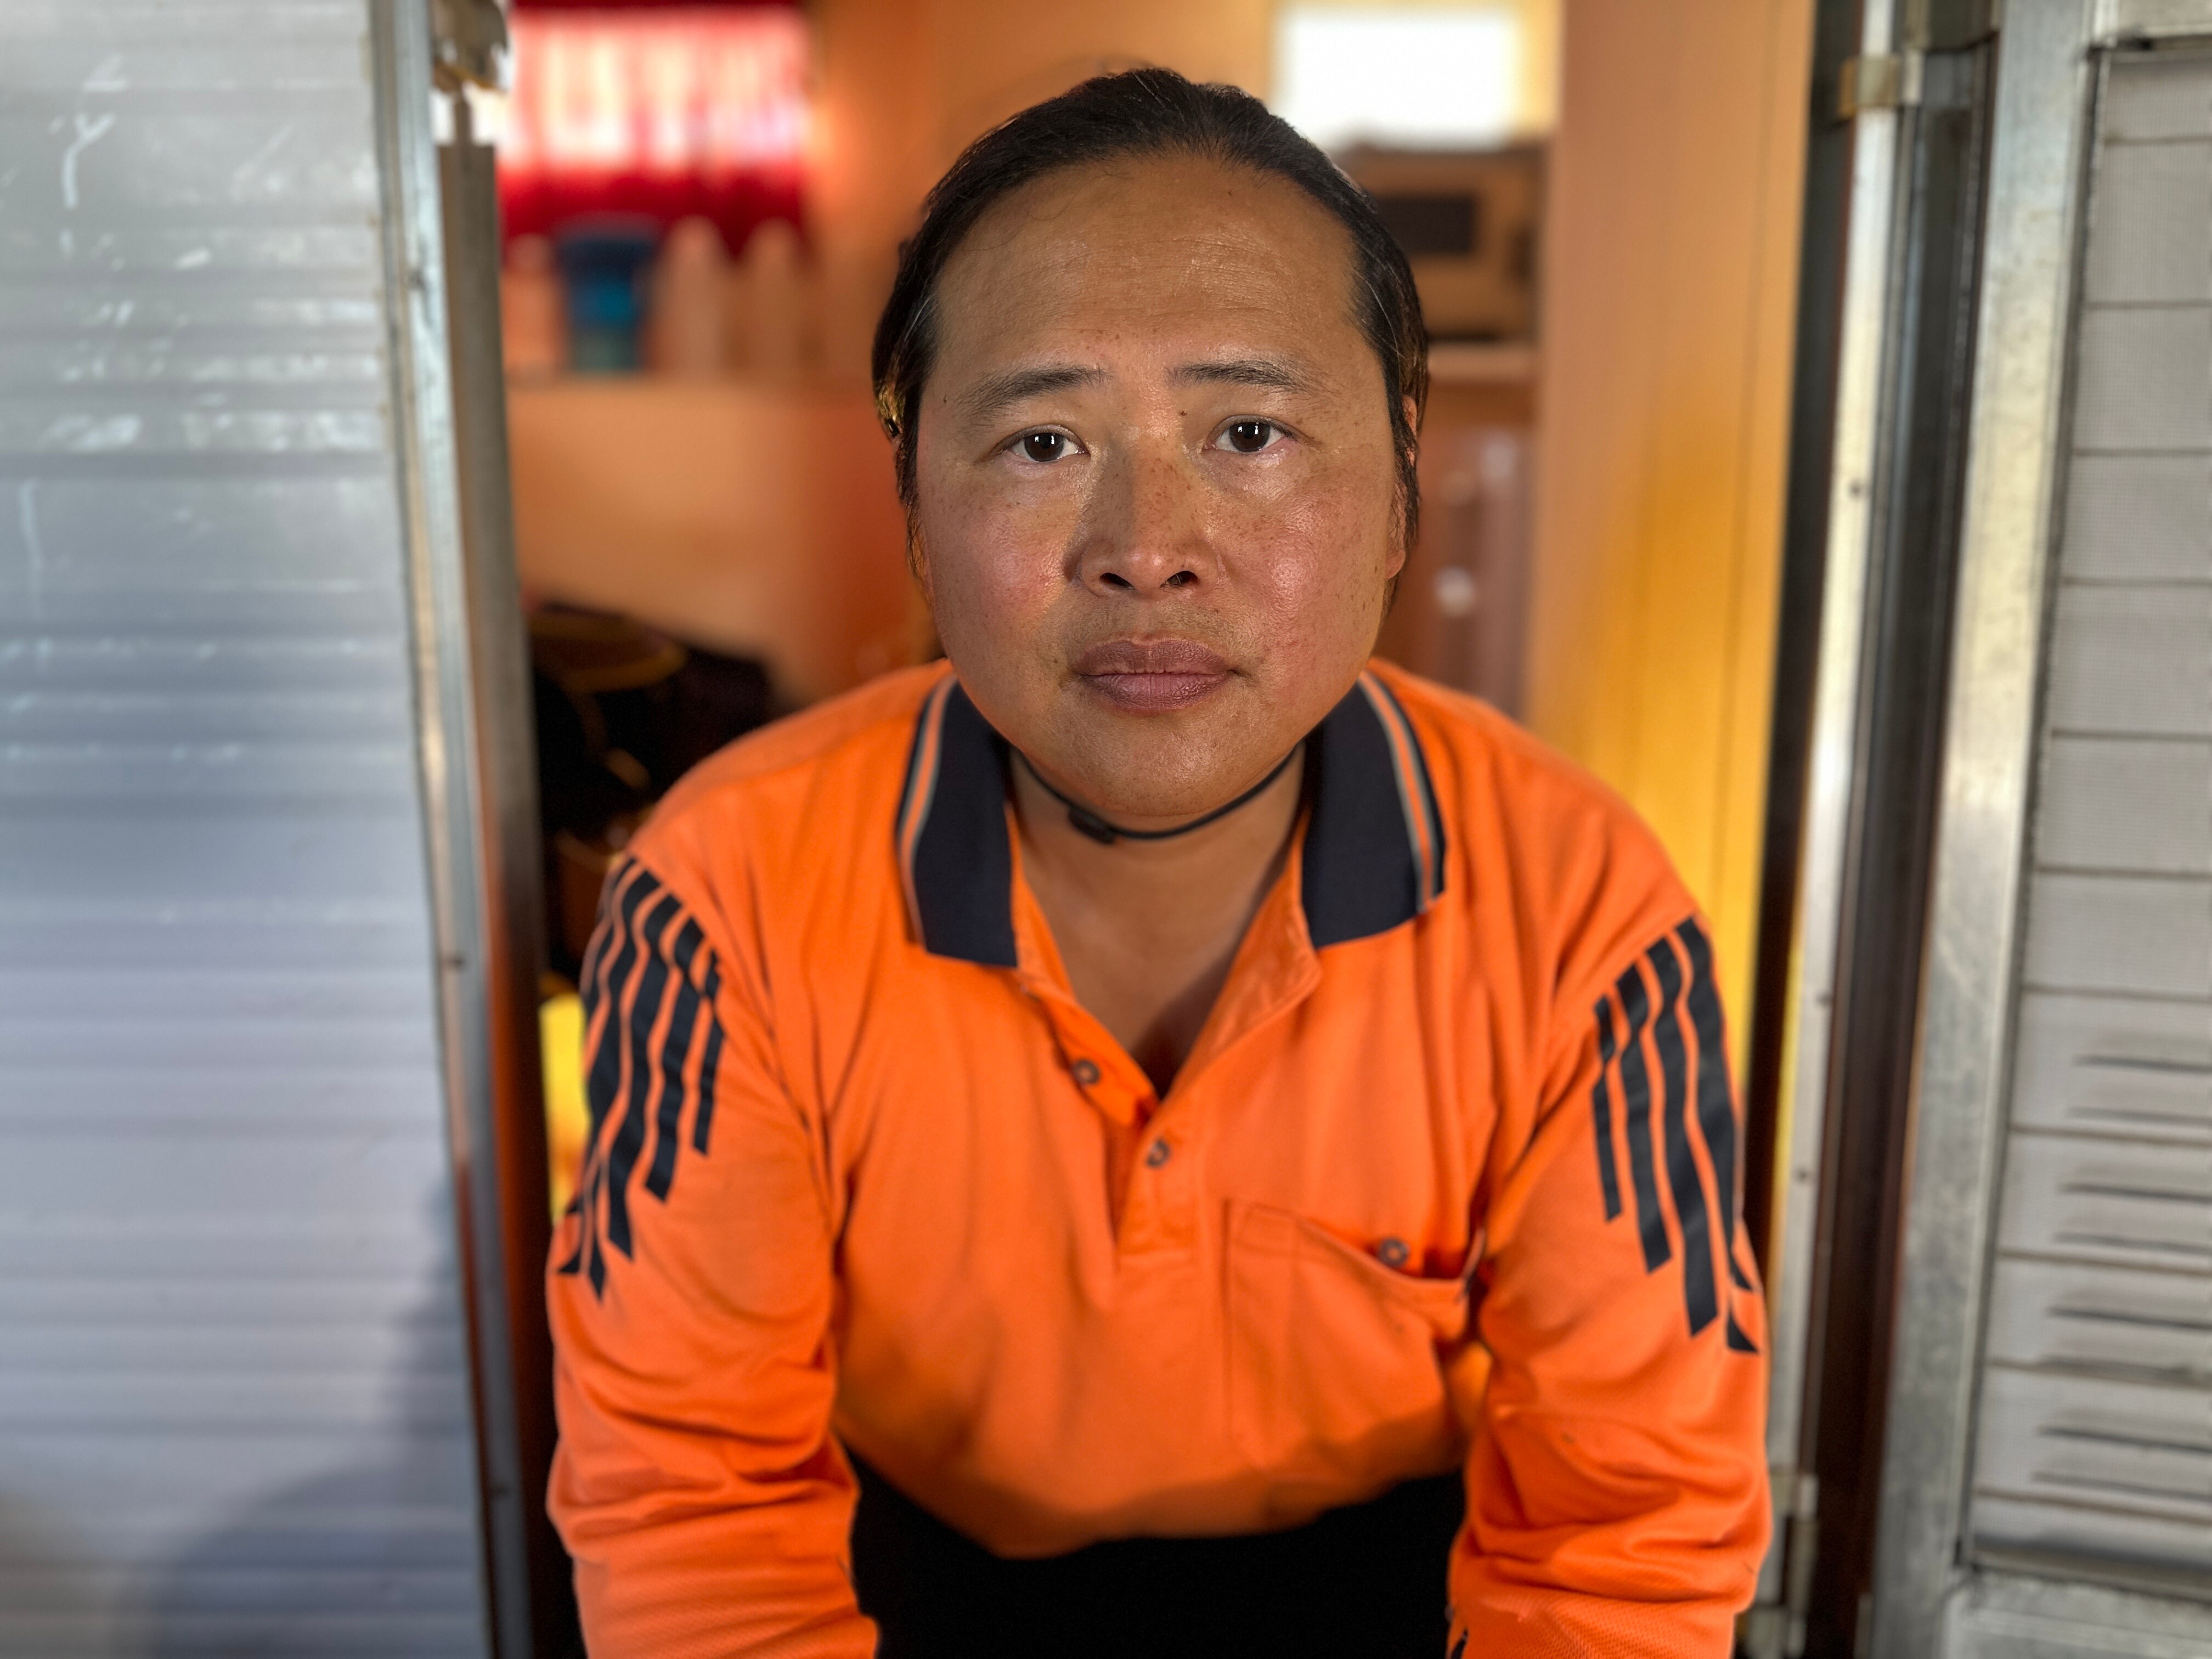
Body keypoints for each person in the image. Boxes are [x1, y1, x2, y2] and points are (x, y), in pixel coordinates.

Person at [546, 68, 1769, 1659]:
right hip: (895, 1586)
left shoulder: (1581, 914)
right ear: (916, 507)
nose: (1148, 542)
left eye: (1248, 430)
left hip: (1400, 1592)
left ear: (1401, 480)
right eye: (1045, 439)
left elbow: (1626, 1539)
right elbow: (695, 1512)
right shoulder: (727, 900)